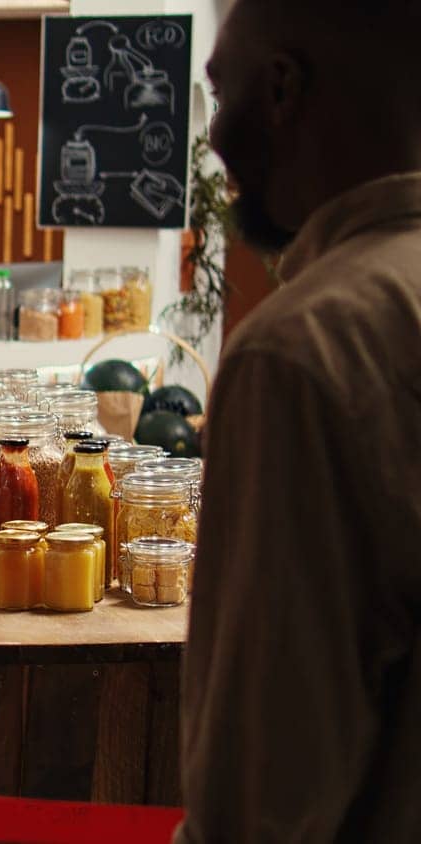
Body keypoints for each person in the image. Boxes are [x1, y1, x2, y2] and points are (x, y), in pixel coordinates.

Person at [180, 1, 421, 840]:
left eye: (220, 93)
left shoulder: (304, 351)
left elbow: (259, 802)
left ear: (281, 87)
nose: (213, 140)